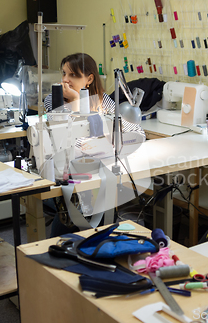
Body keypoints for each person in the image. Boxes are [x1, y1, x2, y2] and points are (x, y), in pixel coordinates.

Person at [44, 53, 145, 237]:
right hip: (69, 170)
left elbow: (130, 129)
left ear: (89, 78)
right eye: (64, 74)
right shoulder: (54, 99)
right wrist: (76, 101)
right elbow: (69, 140)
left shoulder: (103, 100)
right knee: (73, 213)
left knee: (105, 206)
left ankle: (100, 241)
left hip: (100, 168)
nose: (65, 80)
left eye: (73, 75)